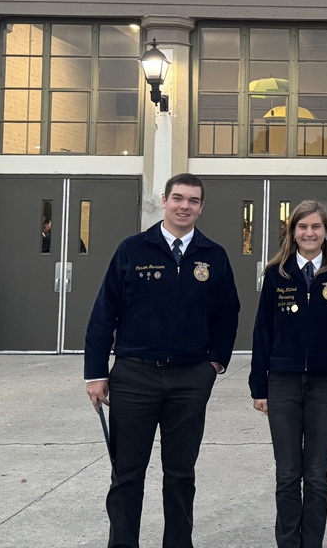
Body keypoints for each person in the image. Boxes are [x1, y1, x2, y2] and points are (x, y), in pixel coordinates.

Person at [84, 172, 240, 548]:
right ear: (165, 201)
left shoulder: (213, 255)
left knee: (181, 474)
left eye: (193, 201)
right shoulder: (132, 249)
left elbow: (227, 314)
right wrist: (95, 373)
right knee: (126, 475)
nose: (185, 206)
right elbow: (105, 312)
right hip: (135, 378)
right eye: (178, 198)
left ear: (202, 207)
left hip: (190, 380)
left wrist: (214, 365)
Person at [249, 200, 327, 548]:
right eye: (302, 227)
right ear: (292, 233)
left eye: (316, 227)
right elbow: (262, 332)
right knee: (287, 473)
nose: (309, 233)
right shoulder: (276, 275)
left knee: (316, 475)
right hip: (283, 383)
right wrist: (258, 386)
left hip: (325, 385)